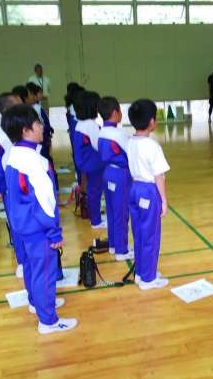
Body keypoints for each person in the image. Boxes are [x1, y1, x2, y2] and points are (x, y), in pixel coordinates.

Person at [2, 104, 77, 334]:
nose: (42, 127)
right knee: (44, 274)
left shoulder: (12, 155)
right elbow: (46, 202)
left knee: (31, 269)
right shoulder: (37, 162)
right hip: (38, 229)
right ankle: (48, 321)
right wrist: (54, 232)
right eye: (38, 123)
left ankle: (37, 304)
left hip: (21, 227)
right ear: (26, 130)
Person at [127, 99, 170, 290]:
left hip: (134, 189)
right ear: (152, 122)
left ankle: (141, 273)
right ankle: (148, 279)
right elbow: (159, 176)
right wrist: (164, 201)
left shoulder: (130, 142)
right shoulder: (152, 146)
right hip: (148, 191)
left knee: (138, 232)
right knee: (151, 235)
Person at [98, 96, 133, 261]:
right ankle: (121, 250)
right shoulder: (119, 133)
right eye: (120, 110)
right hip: (120, 175)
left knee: (111, 211)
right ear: (114, 113)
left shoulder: (101, 132)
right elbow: (130, 154)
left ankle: (113, 245)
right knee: (121, 212)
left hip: (107, 173)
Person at [0, 91, 24, 278]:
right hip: (13, 185)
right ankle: (22, 262)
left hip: (24, 183)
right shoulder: (4, 135)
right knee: (17, 223)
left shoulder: (19, 128)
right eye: (18, 104)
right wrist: (2, 187)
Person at [73, 91, 106, 230]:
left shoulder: (80, 123)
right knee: (95, 192)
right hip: (94, 164)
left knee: (92, 191)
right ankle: (96, 221)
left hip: (85, 162)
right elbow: (99, 145)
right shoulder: (91, 125)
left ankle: (95, 218)